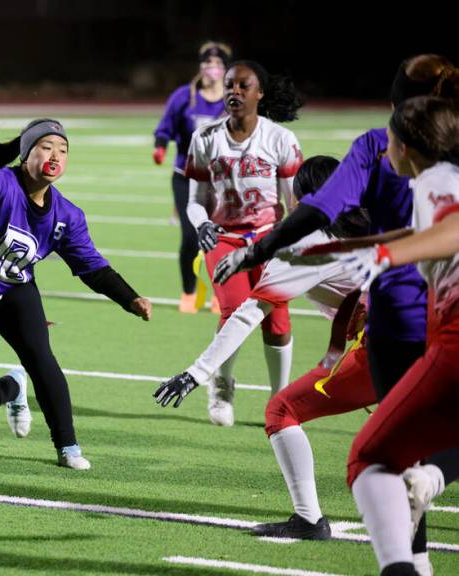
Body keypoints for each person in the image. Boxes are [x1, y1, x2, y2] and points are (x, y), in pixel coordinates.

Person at [212, 54, 459, 568]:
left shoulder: (387, 152)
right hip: (422, 327)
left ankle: (408, 556)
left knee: (379, 459)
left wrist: (262, 250)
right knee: (406, 457)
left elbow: (326, 210)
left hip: (408, 328)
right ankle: (427, 504)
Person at [155, 156, 375, 541]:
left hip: (388, 346)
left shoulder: (308, 245)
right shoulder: (378, 219)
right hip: (432, 334)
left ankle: (309, 519)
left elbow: (248, 315)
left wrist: (197, 372)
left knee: (282, 409)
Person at [0, 107, 152, 470]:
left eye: (62, 149)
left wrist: (130, 297)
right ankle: (12, 386)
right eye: (45, 146)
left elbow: (92, 267)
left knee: (43, 361)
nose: (55, 155)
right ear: (27, 154)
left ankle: (68, 447)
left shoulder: (68, 215)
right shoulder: (0, 183)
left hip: (16, 292)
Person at [341, 96, 459, 576]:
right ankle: (432, 478)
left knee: (369, 459)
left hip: (454, 338)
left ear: (406, 147)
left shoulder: (433, 181)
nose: (380, 143)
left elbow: (453, 226)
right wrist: (360, 247)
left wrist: (387, 259)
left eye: (387, 135)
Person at [182, 60, 304, 427]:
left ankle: (279, 400)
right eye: (230, 85)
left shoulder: (280, 139)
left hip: (269, 238)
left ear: (259, 93)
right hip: (224, 237)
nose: (234, 91)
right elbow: (193, 200)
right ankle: (221, 385)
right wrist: (201, 224)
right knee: (233, 309)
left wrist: (292, 241)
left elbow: (293, 202)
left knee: (278, 322)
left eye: (243, 86)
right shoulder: (205, 137)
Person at [152, 41, 230, 313]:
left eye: (219, 64)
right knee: (190, 236)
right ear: (200, 67)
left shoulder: (232, 97)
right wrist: (160, 147)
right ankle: (189, 291)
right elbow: (165, 127)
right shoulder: (184, 96)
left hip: (222, 180)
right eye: (208, 63)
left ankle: (221, 294)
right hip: (185, 176)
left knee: (222, 238)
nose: (213, 68)